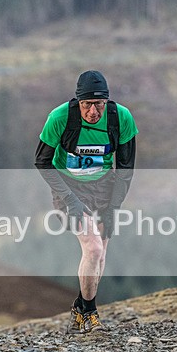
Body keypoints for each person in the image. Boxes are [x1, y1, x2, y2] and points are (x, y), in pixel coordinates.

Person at [34, 70, 138, 334]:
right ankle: (90, 314)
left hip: (104, 185)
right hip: (68, 185)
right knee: (92, 249)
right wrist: (70, 199)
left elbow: (125, 167)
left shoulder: (120, 118)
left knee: (101, 253)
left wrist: (114, 208)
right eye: (86, 105)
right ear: (77, 102)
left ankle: (80, 308)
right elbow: (42, 162)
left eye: (99, 104)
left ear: (107, 102)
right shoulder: (59, 118)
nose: (93, 111)